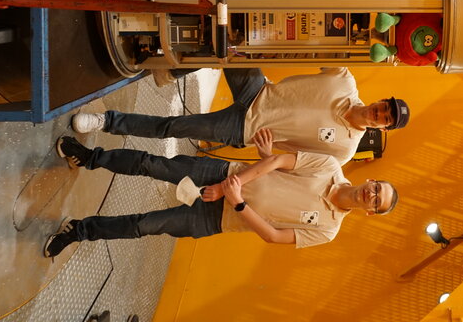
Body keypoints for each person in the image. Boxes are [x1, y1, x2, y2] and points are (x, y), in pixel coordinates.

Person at [44, 128, 397, 256]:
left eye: (377, 202)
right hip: (222, 173)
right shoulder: (331, 168)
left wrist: (237, 203)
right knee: (152, 164)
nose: (372, 194)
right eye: (377, 188)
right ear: (371, 181)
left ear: (371, 211)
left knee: (145, 225)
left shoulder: (328, 230)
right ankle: (89, 157)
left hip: (218, 219)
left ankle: (80, 230)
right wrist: (234, 184)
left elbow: (274, 236)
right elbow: (276, 162)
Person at [72, 67, 410, 163]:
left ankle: (105, 121)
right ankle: (166, 68)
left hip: (244, 129)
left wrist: (266, 154)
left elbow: (296, 164)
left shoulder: (344, 151)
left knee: (173, 127)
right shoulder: (344, 79)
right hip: (258, 89)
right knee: (226, 39)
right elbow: (317, 47)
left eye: (385, 118)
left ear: (382, 127)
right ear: (381, 100)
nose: (380, 113)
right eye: (384, 106)